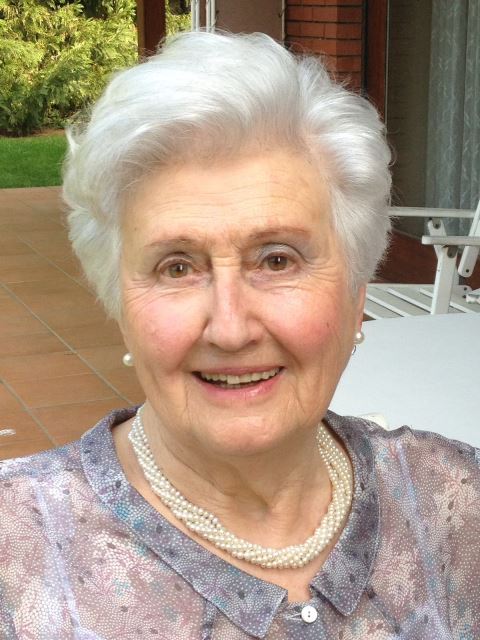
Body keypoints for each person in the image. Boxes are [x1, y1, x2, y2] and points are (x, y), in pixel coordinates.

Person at [1, 31, 479, 640]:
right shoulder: (21, 553)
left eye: (277, 260)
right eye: (177, 267)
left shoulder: (455, 504)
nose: (230, 329)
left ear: (357, 294)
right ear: (119, 303)